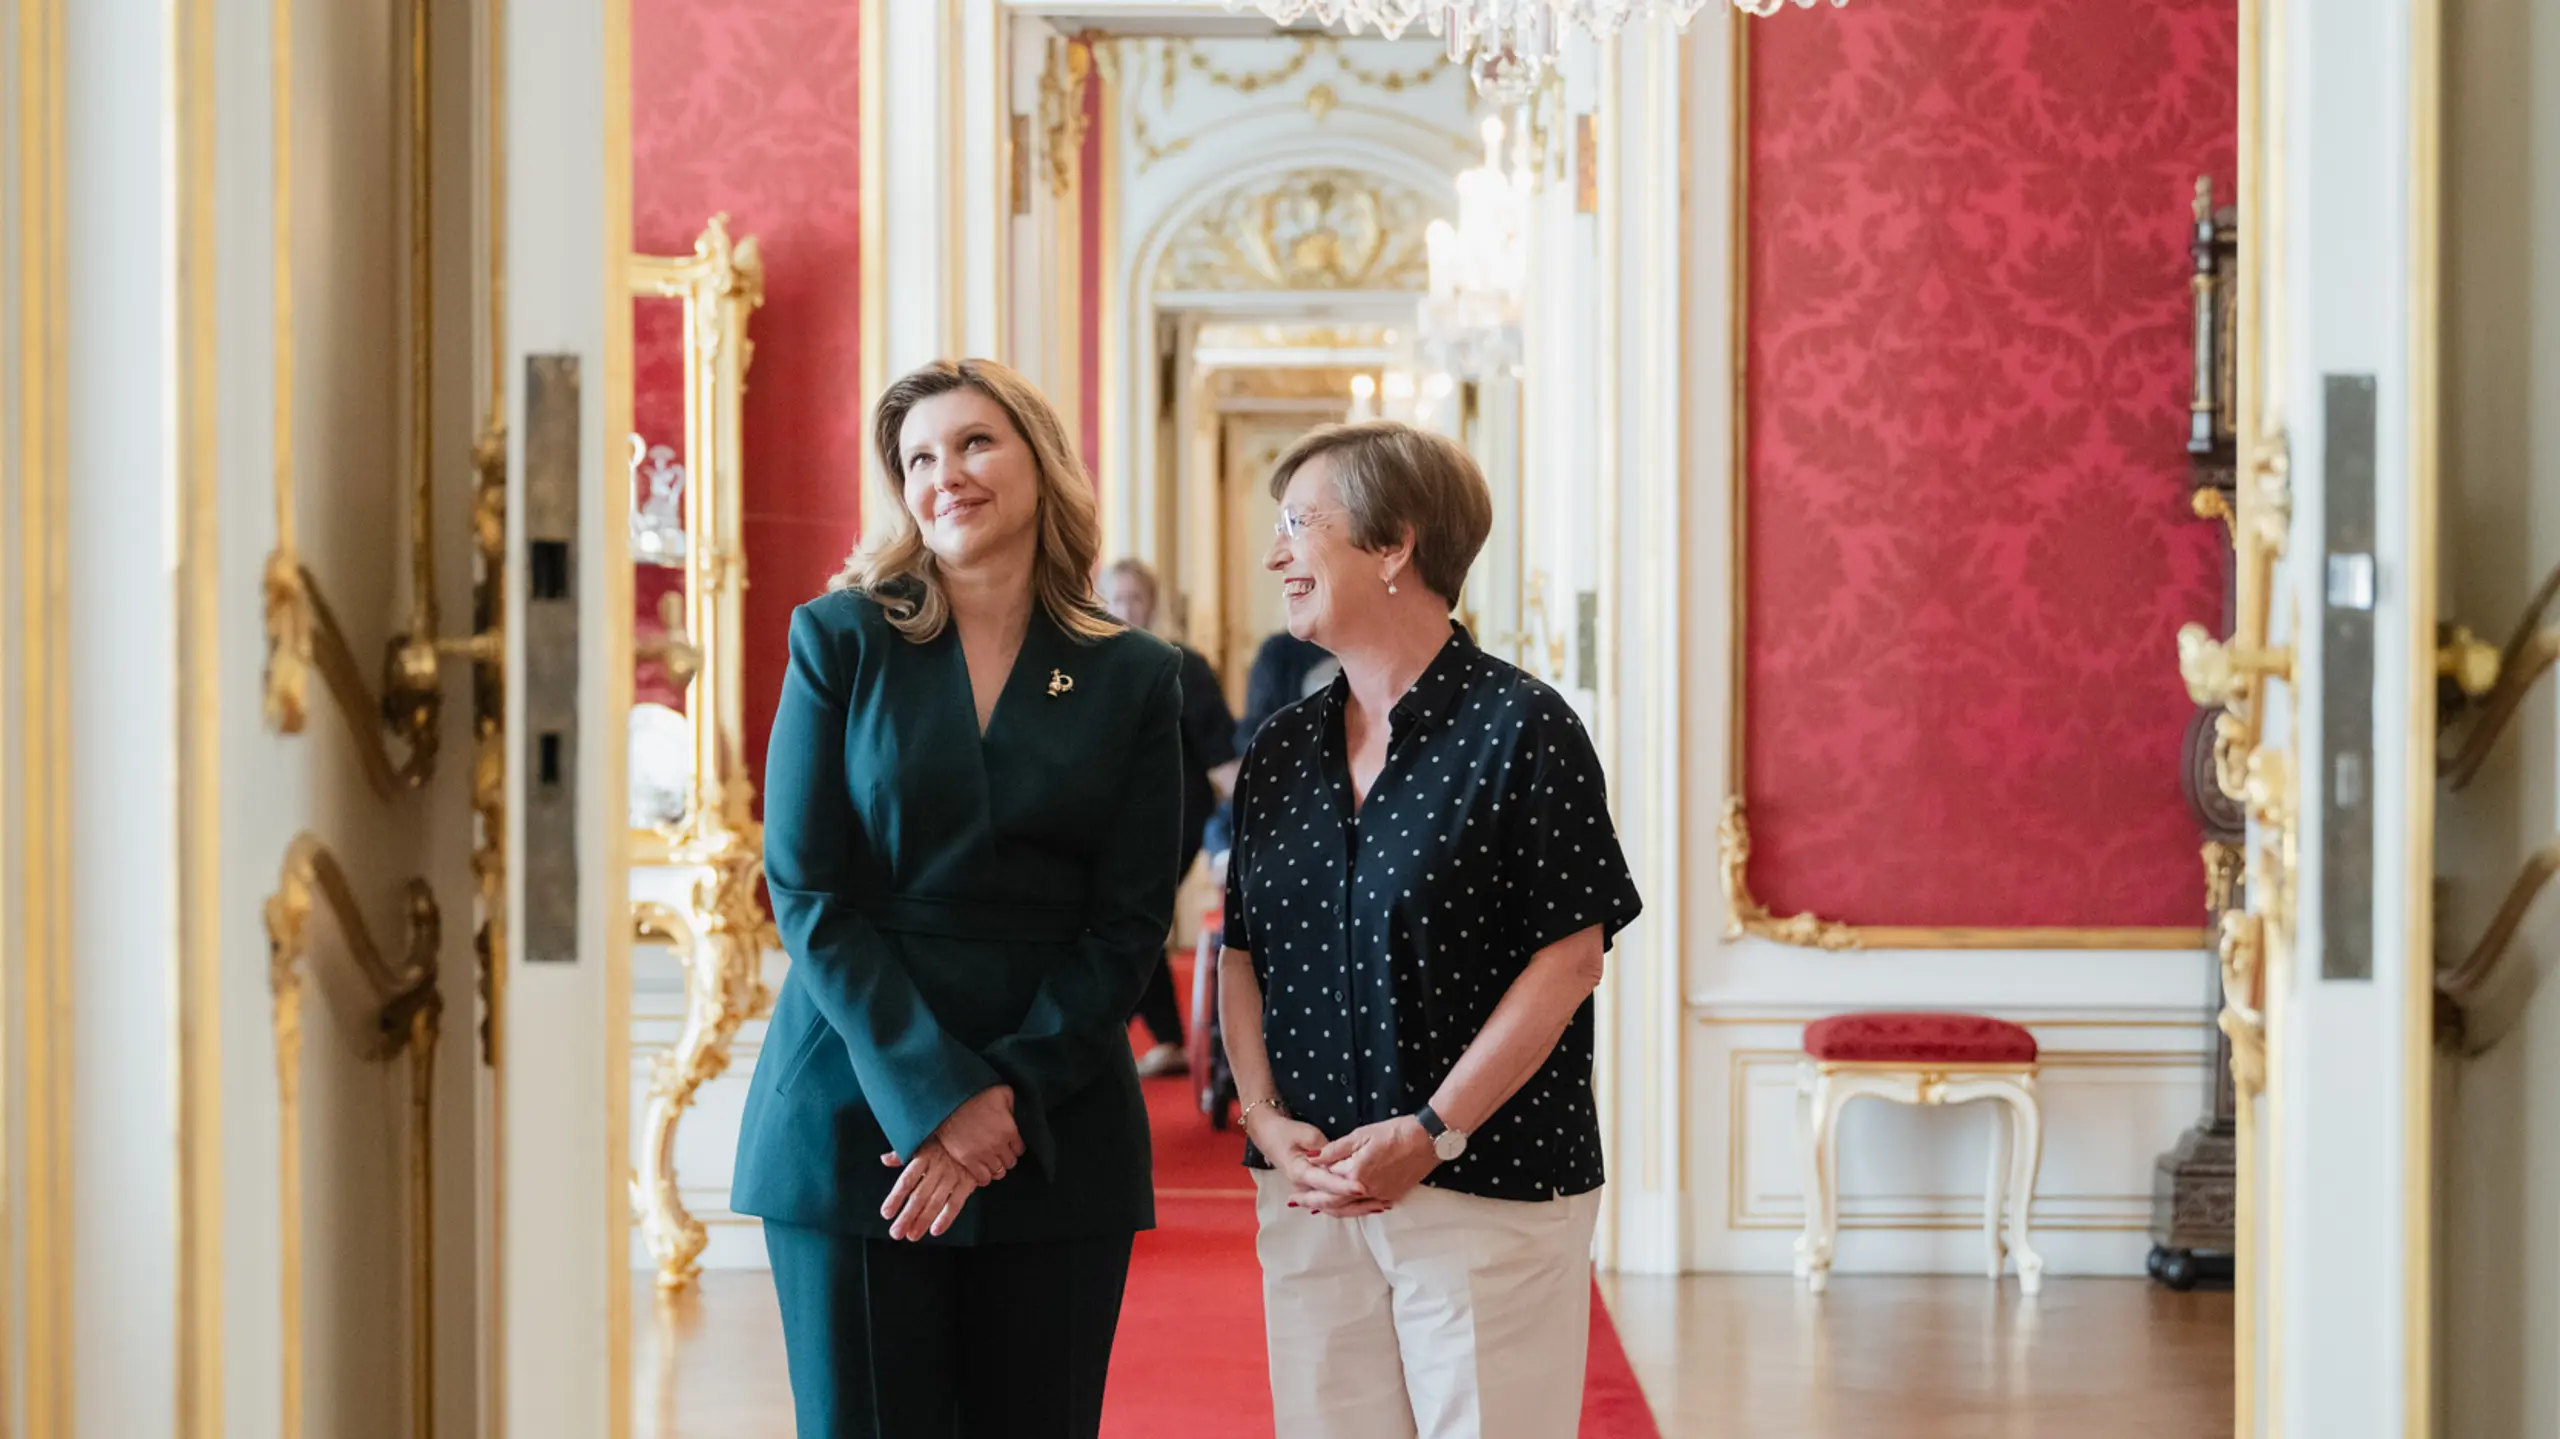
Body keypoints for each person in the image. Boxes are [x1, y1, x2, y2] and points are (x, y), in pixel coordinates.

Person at [730, 358, 1182, 1439]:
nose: (947, 474)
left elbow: (1127, 920)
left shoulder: (1132, 673)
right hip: (854, 1105)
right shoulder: (839, 637)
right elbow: (805, 887)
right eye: (919, 457)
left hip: (1055, 1112)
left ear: (1039, 461)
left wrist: (1005, 1101)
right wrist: (937, 1097)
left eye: (975, 442)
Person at [1217, 421, 1643, 1439]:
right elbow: (1240, 948)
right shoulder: (1281, 747)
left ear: (1393, 543)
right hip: (1310, 1185)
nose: (1274, 554)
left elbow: (1568, 957)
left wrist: (1432, 1131)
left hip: (1483, 1188)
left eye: (1297, 524)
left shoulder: (1522, 726)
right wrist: (1263, 1117)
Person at [1097, 557, 1239, 1078]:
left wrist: (1242, 830)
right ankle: (1168, 1038)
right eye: (1118, 598)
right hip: (1110, 817)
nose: (1127, 608)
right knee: (1134, 917)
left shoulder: (1185, 666)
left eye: (1137, 598)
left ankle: (1101, 1034)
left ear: (1153, 605)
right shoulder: (1092, 666)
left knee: (1130, 910)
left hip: (1175, 814)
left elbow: (1223, 762)